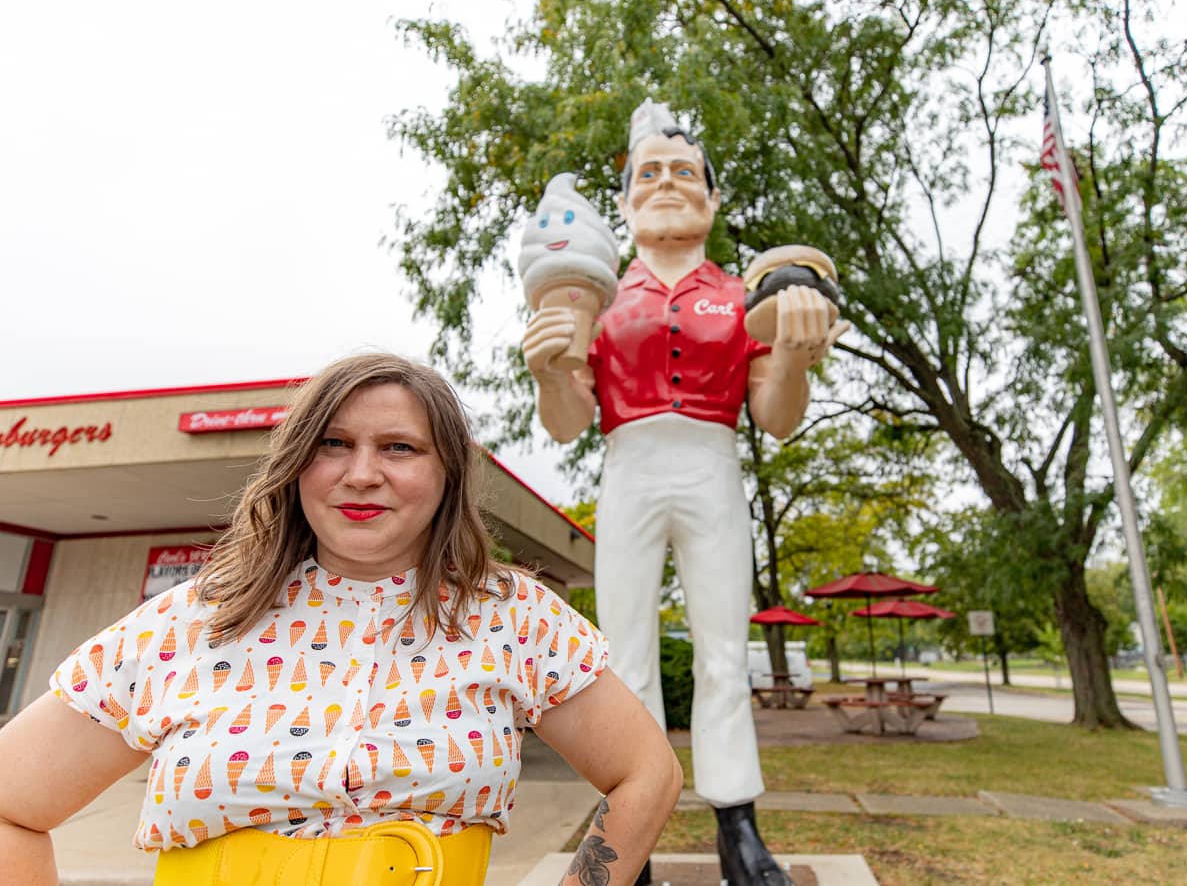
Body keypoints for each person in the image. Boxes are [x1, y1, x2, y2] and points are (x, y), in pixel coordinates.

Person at [0, 353, 681, 886]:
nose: (361, 473)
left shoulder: (515, 618)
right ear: (297, 465)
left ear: (448, 471)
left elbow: (647, 770)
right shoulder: (189, 622)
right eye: (333, 443)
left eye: (399, 447)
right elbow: (10, 803)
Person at [521, 100, 845, 886]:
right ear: (626, 197)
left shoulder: (747, 294)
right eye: (649, 173)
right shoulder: (592, 295)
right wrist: (545, 372)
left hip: (711, 460)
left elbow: (776, 417)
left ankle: (739, 827)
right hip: (629, 461)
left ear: (713, 197)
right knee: (620, 657)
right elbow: (567, 423)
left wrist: (795, 358)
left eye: (684, 172)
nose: (667, 183)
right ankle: (628, 833)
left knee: (724, 654)